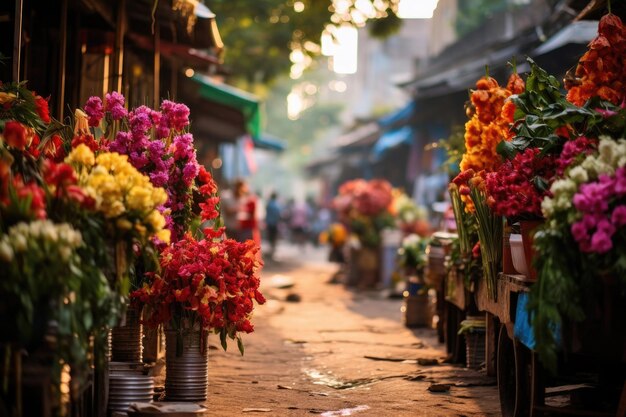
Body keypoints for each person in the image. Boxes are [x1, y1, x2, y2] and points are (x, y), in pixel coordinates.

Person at [265, 191, 282, 260]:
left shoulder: (269, 204)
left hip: (269, 223)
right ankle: (272, 252)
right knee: (274, 238)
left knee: (270, 238)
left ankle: (271, 251)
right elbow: (279, 214)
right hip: (274, 224)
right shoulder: (276, 205)